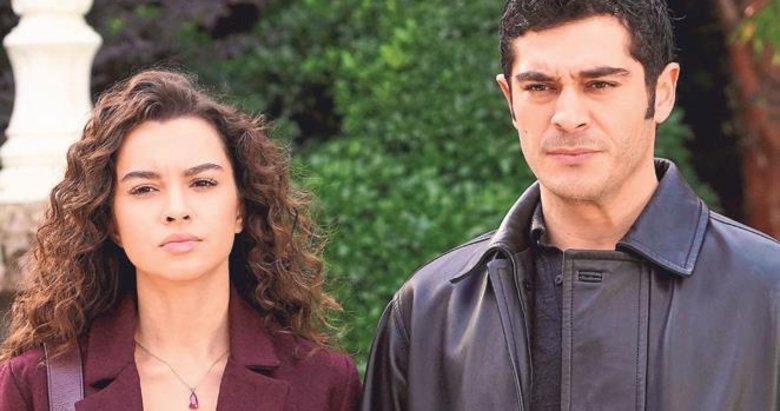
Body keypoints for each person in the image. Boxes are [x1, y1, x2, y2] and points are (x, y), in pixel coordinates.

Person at [361, 1, 780, 410]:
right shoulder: (428, 312)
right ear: (510, 99)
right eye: (539, 87)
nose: (567, 116)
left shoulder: (769, 293)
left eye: (600, 84)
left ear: (663, 92)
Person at [0, 69, 361, 411]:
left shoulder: (322, 382)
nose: (176, 209)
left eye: (202, 183)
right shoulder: (37, 384)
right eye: (144, 188)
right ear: (111, 222)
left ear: (241, 208)